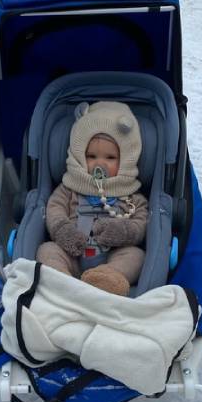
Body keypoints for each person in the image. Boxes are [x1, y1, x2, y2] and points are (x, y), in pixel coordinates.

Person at [36, 101, 149, 296]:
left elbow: (141, 222)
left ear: (125, 160)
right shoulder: (69, 187)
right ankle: (61, 282)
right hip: (71, 254)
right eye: (91, 156)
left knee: (136, 256)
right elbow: (54, 209)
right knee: (47, 250)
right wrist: (63, 230)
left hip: (113, 256)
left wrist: (123, 231)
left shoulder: (131, 194)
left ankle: (107, 280)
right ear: (79, 156)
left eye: (110, 158)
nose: (100, 164)